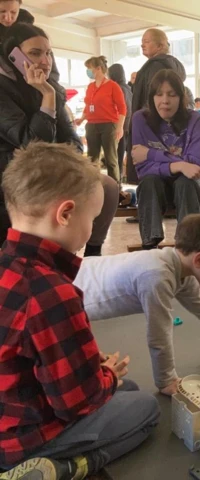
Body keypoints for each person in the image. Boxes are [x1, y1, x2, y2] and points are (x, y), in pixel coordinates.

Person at [0, 142, 160, 479]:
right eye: (92, 218)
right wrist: (108, 376)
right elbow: (75, 401)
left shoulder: (7, 264)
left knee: (127, 392)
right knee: (145, 409)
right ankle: (69, 468)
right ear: (66, 214)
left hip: (8, 408)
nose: (92, 230)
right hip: (22, 438)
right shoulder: (52, 291)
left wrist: (86, 363)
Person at [75, 212, 200, 396]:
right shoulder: (157, 276)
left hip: (79, 288)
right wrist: (166, 381)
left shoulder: (180, 268)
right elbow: (159, 334)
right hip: (73, 296)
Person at [0, 23, 118, 255]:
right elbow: (31, 143)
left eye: (48, 53)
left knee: (108, 187)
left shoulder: (52, 89)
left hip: (47, 171)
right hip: (11, 173)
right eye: (35, 53)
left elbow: (73, 144)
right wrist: (46, 98)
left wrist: (49, 94)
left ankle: (92, 258)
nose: (45, 61)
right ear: (13, 56)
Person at [131, 69, 200, 249]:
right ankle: (150, 244)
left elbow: (195, 166)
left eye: (171, 95)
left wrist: (151, 154)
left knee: (186, 181)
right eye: (159, 95)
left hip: (192, 187)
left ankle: (189, 246)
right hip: (159, 189)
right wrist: (180, 164)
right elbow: (142, 169)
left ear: (181, 98)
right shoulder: (140, 119)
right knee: (149, 182)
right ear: (152, 97)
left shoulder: (195, 119)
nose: (164, 101)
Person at [127, 28, 187, 186]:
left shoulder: (157, 66)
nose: (142, 45)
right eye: (141, 43)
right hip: (167, 132)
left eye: (146, 42)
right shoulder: (170, 65)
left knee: (152, 177)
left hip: (152, 130)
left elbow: (154, 102)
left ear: (160, 46)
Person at [75, 56, 126, 184]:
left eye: (89, 68)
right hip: (92, 125)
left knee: (110, 159)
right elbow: (88, 106)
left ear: (98, 69)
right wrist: (81, 119)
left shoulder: (113, 86)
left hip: (109, 125)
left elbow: (122, 108)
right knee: (92, 159)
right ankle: (94, 187)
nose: (88, 71)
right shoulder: (90, 87)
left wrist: (119, 127)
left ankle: (115, 188)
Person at [0, 0, 61, 84]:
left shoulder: (29, 28)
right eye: (2, 11)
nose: (8, 18)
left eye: (13, 12)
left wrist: (49, 85)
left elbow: (52, 72)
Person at [108, 63, 133, 182]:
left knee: (115, 159)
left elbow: (119, 110)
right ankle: (119, 183)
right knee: (119, 157)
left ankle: (115, 186)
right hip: (127, 127)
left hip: (118, 127)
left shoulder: (117, 88)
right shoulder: (128, 89)